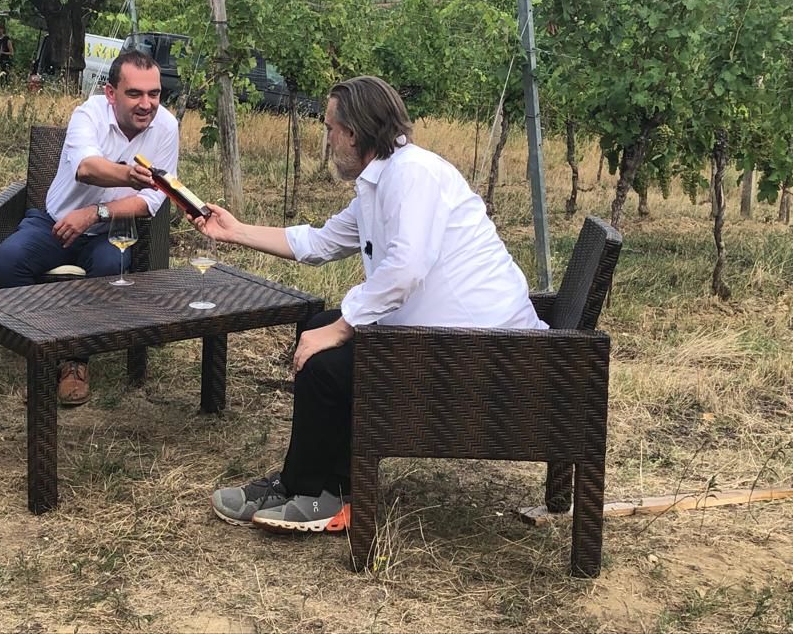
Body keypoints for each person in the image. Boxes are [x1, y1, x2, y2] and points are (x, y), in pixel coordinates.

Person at [192, 75, 547, 534]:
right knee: (318, 328)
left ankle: (324, 494)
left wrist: (343, 327)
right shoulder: (380, 182)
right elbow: (318, 242)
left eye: (329, 129)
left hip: (485, 351)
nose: (327, 141)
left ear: (354, 133)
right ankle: (309, 484)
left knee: (327, 360)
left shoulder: (413, 174)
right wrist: (234, 230)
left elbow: (406, 268)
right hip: (448, 337)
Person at [0, 50, 179, 406]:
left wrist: (96, 213)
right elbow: (86, 168)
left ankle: (75, 360)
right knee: (6, 261)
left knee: (111, 266)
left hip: (110, 229)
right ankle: (43, 343)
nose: (147, 104)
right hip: (54, 222)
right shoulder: (89, 113)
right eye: (135, 93)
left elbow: (152, 202)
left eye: (154, 94)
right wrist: (130, 175)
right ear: (111, 93)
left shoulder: (167, 127)